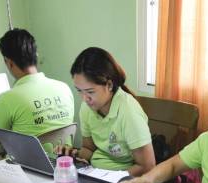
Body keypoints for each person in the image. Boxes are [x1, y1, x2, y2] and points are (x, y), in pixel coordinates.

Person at [55, 47, 156, 176]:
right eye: (79, 91)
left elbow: (147, 166)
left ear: (109, 85)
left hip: (124, 180)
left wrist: (111, 179)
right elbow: (89, 149)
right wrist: (74, 153)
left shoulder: (128, 112)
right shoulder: (87, 107)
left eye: (90, 92)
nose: (85, 99)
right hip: (96, 173)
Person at [0, 28, 75, 157]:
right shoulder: (64, 88)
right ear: (36, 55)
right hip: (64, 164)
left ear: (9, 63)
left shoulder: (7, 98)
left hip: (29, 169)